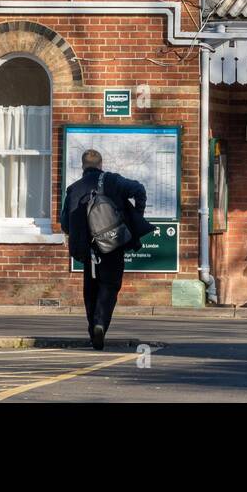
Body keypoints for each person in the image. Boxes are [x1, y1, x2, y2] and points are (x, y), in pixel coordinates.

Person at [60, 148, 153, 349]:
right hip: (113, 244)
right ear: (101, 165)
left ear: (82, 166)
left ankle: (93, 328)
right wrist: (134, 217)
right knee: (109, 286)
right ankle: (100, 323)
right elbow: (139, 190)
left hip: (88, 249)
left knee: (90, 289)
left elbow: (65, 224)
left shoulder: (73, 189)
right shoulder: (113, 181)